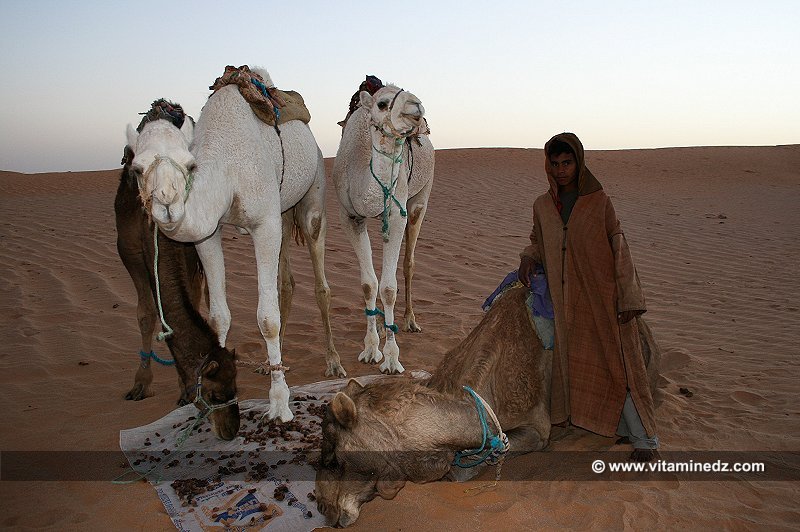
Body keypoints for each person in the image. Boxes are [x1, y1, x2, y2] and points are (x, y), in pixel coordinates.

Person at [518, 132, 658, 461]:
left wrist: (628, 298)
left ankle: (644, 440)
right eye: (555, 164)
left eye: (567, 163)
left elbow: (618, 246)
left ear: (578, 163)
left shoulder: (598, 201)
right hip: (566, 303)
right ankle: (618, 430)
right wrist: (528, 256)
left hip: (602, 297)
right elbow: (538, 240)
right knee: (581, 367)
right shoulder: (541, 205)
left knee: (618, 366)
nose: (561, 170)